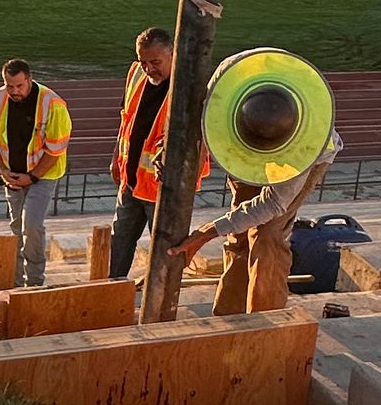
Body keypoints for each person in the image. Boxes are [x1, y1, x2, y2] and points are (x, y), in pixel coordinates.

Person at [171, 87, 343, 314]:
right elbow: (198, 123)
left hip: (301, 156)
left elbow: (272, 204)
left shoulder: (305, 147)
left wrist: (207, 232)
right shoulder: (225, 86)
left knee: (266, 235)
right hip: (243, 145)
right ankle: (228, 314)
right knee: (239, 233)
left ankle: (263, 322)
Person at [0, 61, 71, 287]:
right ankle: (15, 282)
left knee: (31, 225)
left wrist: (31, 177)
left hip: (43, 174)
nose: (14, 92)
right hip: (12, 175)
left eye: (19, 86)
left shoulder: (53, 105)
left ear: (30, 80)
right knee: (16, 227)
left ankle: (34, 281)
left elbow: (55, 151)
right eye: (9, 86)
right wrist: (3, 171)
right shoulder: (1, 97)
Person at [108, 26, 174, 277]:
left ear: (172, 54)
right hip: (131, 179)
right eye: (143, 61)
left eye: (155, 62)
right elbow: (126, 118)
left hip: (161, 189)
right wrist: (116, 155)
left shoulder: (186, 88)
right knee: (120, 237)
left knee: (163, 247)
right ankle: (114, 288)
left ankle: (160, 298)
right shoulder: (136, 74)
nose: (148, 69)